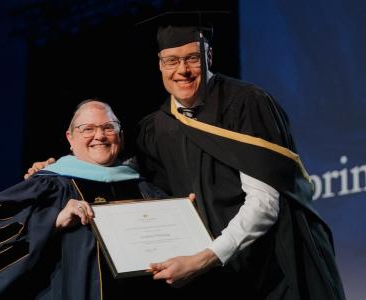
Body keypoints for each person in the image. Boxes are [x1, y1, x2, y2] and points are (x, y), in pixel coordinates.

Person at [133, 11, 344, 299]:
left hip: (270, 270)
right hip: (209, 281)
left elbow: (265, 203)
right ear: (160, 64)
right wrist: (56, 171)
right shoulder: (154, 127)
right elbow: (136, 187)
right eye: (172, 60)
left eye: (192, 58)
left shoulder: (246, 104)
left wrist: (204, 258)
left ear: (208, 57)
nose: (182, 70)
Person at [0, 100, 175, 299]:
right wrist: (53, 221)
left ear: (121, 137)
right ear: (70, 139)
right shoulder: (48, 185)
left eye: (108, 127)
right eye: (87, 129)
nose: (99, 136)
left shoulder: (145, 188)